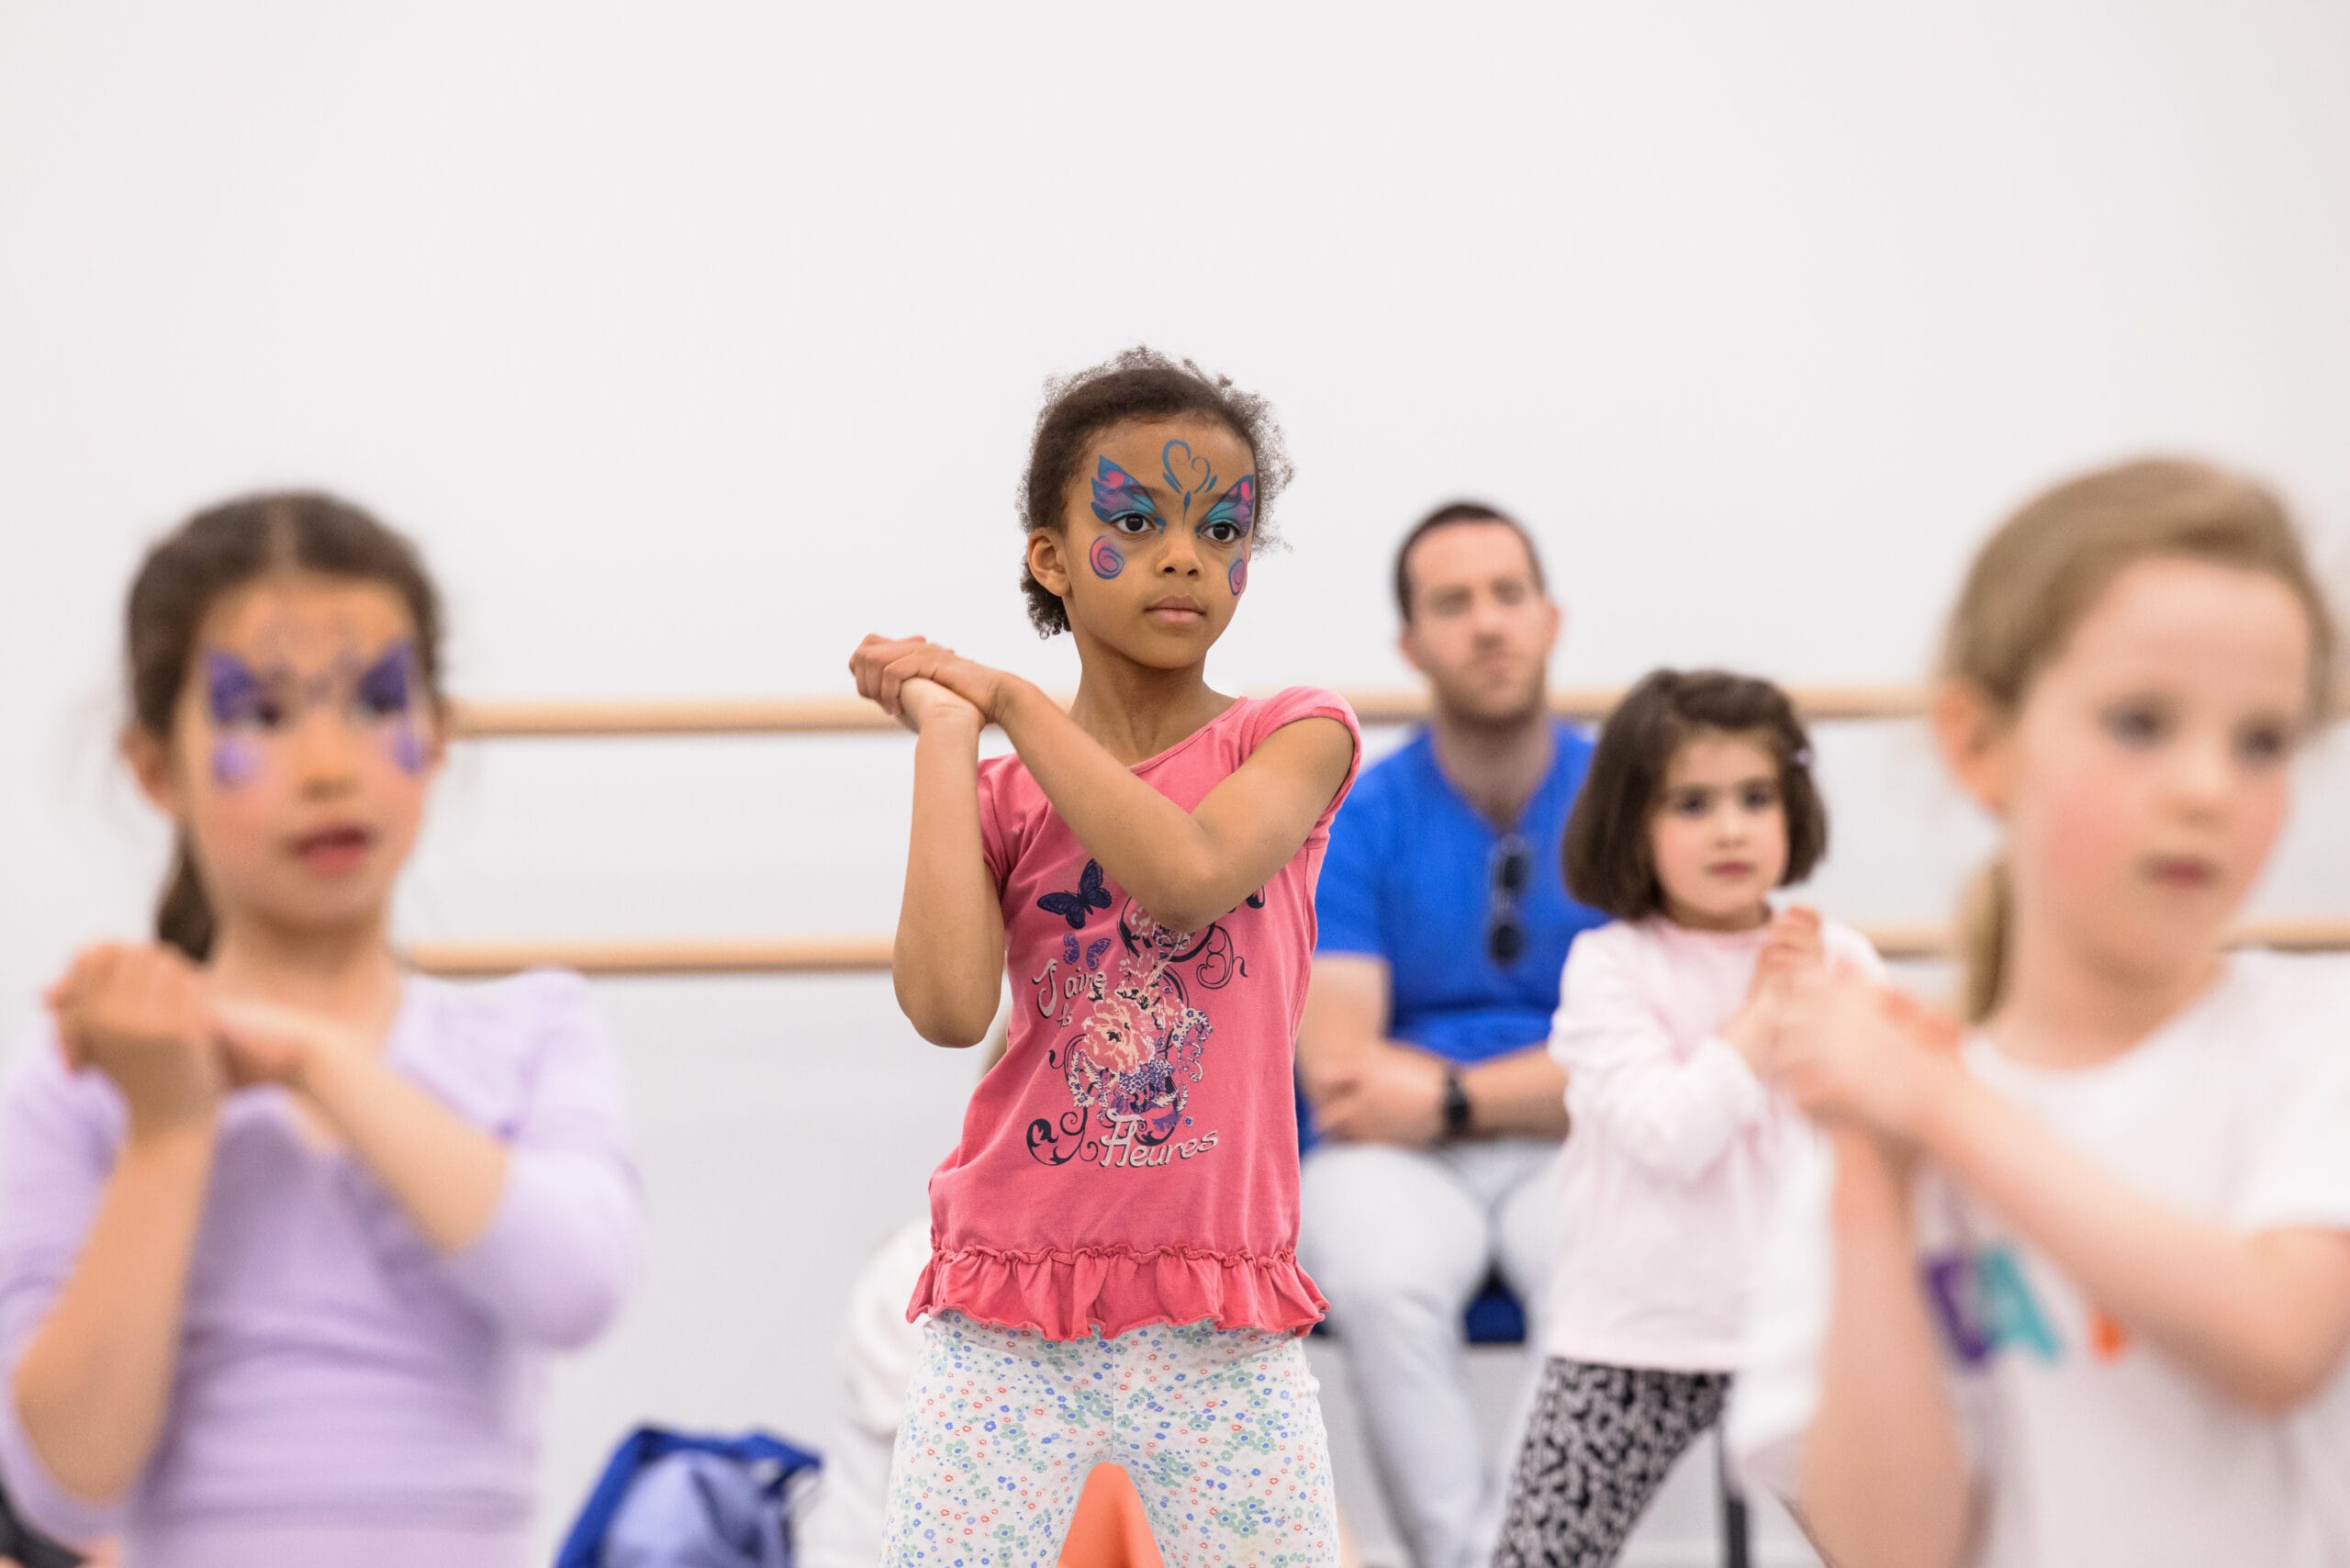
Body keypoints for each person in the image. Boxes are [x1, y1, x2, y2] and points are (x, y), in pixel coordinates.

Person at [0, 493, 643, 1567]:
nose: (331, 765)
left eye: (376, 701)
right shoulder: (89, 1077)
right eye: (262, 713)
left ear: (434, 741)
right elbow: (64, 1481)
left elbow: (575, 1286)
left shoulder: (536, 1027)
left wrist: (313, 1059)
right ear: (157, 768)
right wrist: (167, 1130)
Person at [1730, 458, 2350, 1567]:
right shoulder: (1866, 1128)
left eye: (2261, 740)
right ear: (1978, 745)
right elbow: (1888, 1551)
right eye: (2140, 721)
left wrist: (1942, 1109)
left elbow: (2279, 1338)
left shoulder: (2312, 1040)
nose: (2208, 787)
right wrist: (1874, 1175)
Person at [850, 348, 1360, 1565]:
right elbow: (944, 1004)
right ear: (1053, 557)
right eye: (1136, 519)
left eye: (1219, 525)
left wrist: (1013, 702)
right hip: (1011, 1301)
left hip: (1220, 1315)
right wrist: (945, 734)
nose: (1185, 552)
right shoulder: (1000, 790)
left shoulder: (1290, 737)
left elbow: (1184, 872)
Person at [1490, 669, 1878, 1566]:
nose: (1732, 827)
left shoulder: (1840, 957)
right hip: (1629, 1338)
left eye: (1754, 797)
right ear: (1634, 821)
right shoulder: (1608, 966)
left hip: (1799, 1333)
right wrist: (1764, 1009)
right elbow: (1671, 1134)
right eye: (1692, 803)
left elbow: (1892, 1129)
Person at [1295, 503, 1607, 1568]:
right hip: (1386, 1155)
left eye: (1507, 595)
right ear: (1410, 644)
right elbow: (1337, 1069)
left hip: (1565, 1145)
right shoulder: (1360, 815)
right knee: (1381, 1282)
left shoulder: (1628, 808)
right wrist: (1550, 1075)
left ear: (1551, 617)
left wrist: (1455, 1095)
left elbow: (1646, 1059)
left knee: (1612, 1270)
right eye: (1453, 602)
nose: (1486, 625)